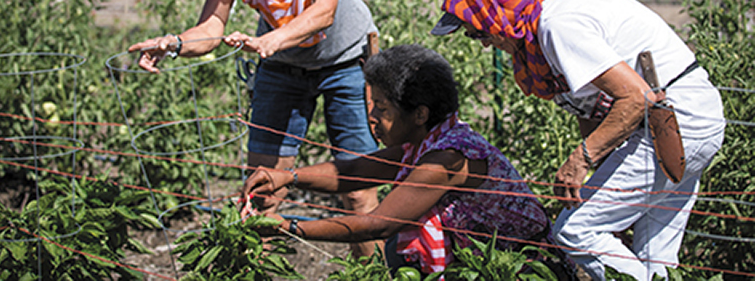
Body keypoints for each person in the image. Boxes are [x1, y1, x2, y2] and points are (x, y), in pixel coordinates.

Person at [128, 0, 380, 257]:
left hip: (345, 63)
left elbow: (324, 9)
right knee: (263, 190)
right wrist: (174, 43)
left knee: (359, 193)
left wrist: (273, 39)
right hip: (281, 69)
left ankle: (370, 273)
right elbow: (210, 29)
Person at [430, 0, 725, 280]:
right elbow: (594, 110)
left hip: (673, 122)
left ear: (495, 9)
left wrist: (580, 160)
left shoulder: (558, 25)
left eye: (478, 32)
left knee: (575, 232)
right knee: (654, 257)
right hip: (692, 118)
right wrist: (602, 175)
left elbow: (636, 96)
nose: (484, 44)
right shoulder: (551, 13)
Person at [243, 44, 573, 277]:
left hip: (524, 271)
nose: (372, 118)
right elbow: (356, 170)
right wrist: (287, 177)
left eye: (382, 109)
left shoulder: (446, 159)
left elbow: (378, 223)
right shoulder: (426, 140)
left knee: (397, 242)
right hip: (486, 263)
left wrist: (288, 227)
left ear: (419, 114)